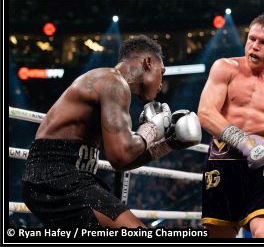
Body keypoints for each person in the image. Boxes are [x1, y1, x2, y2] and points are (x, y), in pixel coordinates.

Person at [22, 35, 202, 228]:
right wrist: (151, 129)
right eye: (162, 72)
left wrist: (167, 145)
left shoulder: (116, 91)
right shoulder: (111, 82)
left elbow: (122, 162)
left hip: (65, 176)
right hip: (56, 176)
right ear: (148, 63)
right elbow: (120, 155)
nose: (161, 83)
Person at [198, 14, 264, 238]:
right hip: (223, 158)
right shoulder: (225, 67)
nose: (254, 46)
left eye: (263, 42)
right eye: (251, 39)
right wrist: (244, 142)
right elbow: (205, 113)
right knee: (220, 236)